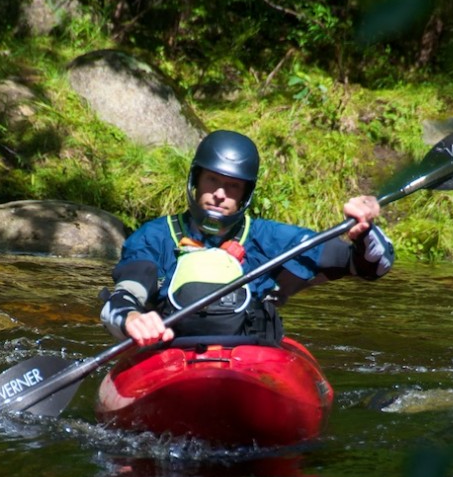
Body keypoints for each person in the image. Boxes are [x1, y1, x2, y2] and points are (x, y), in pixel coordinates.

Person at [100, 129, 394, 345]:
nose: (219, 194)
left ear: (245, 195)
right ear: (195, 180)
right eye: (212, 180)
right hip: (171, 355)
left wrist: (363, 233)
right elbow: (124, 296)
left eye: (232, 186)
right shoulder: (154, 237)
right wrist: (132, 319)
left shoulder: (273, 239)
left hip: (250, 359)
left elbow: (370, 267)